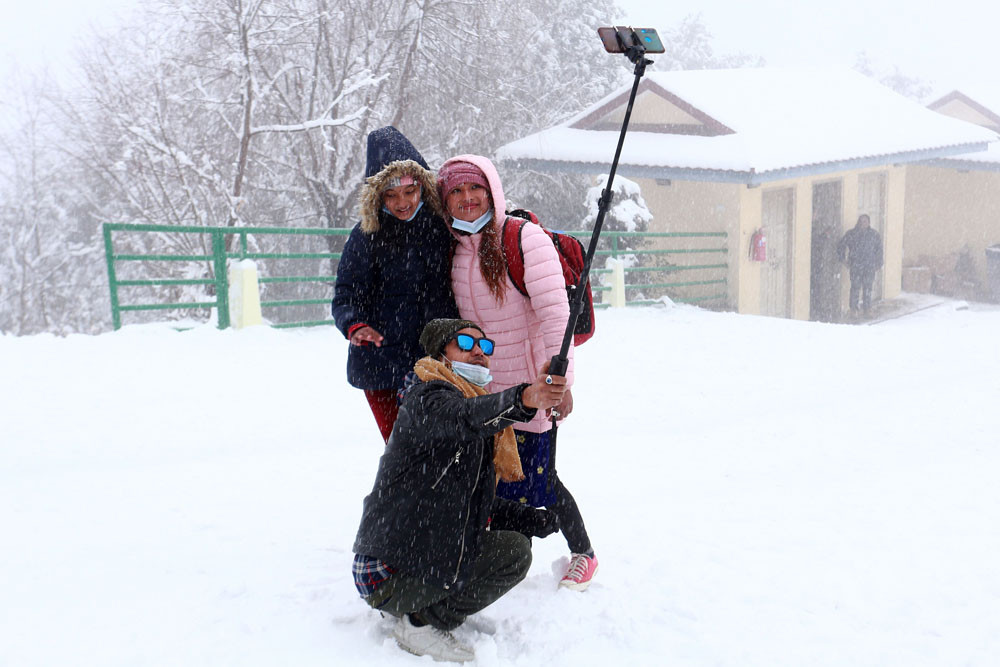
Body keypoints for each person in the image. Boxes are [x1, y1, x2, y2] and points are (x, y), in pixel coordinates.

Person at [352, 319, 565, 663]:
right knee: (512, 554)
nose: (479, 351)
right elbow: (465, 416)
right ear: (442, 356)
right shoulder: (428, 397)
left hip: (409, 553)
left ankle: (412, 602)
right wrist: (525, 398)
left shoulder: (464, 406)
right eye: (465, 343)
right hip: (387, 570)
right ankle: (420, 622)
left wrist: (526, 517)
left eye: (485, 346)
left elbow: (470, 498)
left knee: (513, 541)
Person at [437, 155, 599, 591]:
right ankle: (504, 553)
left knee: (540, 481)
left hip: (531, 387)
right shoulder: (454, 249)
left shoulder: (523, 238)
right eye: (456, 191)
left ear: (492, 191)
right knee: (493, 477)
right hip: (485, 393)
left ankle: (583, 553)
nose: (468, 199)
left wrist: (559, 382)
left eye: (476, 189)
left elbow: (555, 316)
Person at [332, 126, 458, 442]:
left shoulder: (442, 229)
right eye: (391, 194)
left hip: (437, 360)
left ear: (422, 187)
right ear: (378, 195)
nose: (402, 202)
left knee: (443, 446)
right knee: (401, 448)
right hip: (381, 363)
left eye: (409, 192)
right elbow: (346, 294)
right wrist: (355, 325)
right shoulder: (365, 236)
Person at [837, 213, 884, 315]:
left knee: (868, 289)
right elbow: (841, 245)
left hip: (869, 266)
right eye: (861, 221)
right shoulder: (851, 234)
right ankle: (854, 310)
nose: (863, 223)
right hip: (856, 266)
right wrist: (843, 260)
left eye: (865, 221)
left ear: (869, 223)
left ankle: (867, 309)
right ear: (858, 222)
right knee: (855, 288)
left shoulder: (874, 235)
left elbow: (879, 250)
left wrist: (878, 264)